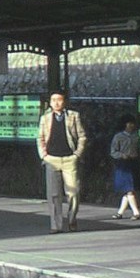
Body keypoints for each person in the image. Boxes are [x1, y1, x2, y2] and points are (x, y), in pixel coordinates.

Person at [37, 91, 87, 233]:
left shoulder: (73, 116)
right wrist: (44, 155)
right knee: (53, 194)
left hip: (69, 158)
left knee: (73, 192)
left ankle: (72, 219)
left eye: (59, 99)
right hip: (51, 159)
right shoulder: (45, 118)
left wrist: (77, 154)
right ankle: (55, 225)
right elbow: (40, 138)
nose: (56, 103)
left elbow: (82, 136)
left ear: (64, 101)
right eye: (53, 100)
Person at [110, 115, 140, 219]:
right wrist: (122, 155)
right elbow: (113, 152)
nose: (131, 125)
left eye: (132, 123)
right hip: (122, 165)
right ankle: (136, 212)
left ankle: (120, 213)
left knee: (128, 190)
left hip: (134, 164)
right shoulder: (118, 136)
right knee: (129, 190)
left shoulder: (136, 136)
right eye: (129, 123)